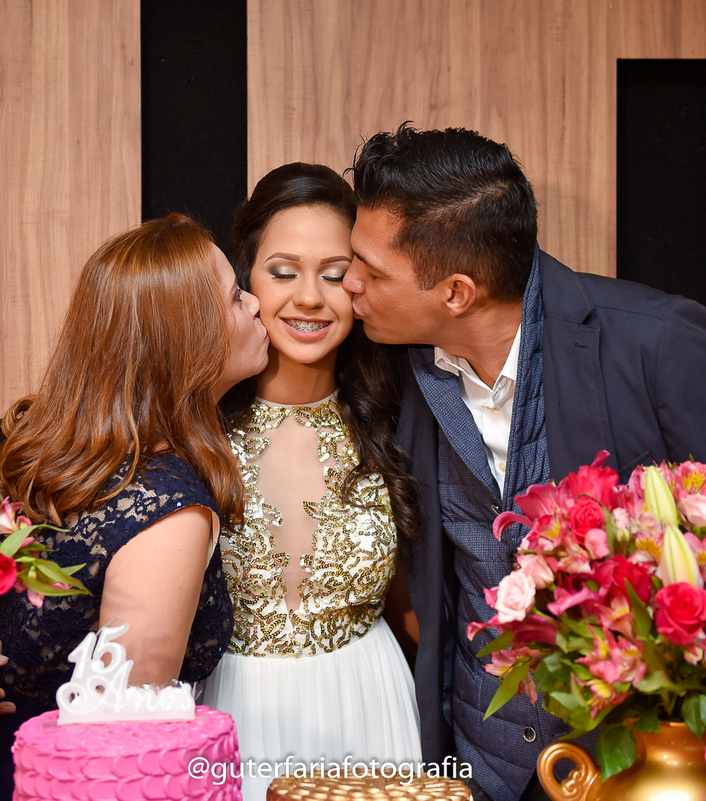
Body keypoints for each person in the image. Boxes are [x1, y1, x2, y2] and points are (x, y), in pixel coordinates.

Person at [342, 124, 706, 801]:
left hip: (637, 768)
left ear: (457, 292)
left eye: (371, 271)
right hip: (475, 763)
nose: (349, 284)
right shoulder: (394, 362)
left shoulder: (662, 347)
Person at [0, 213, 270, 801]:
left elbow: (28, 620)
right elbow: (121, 737)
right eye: (236, 296)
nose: (258, 304)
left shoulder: (70, 465)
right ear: (188, 341)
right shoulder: (168, 508)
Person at [201, 163, 423, 800]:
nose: (308, 298)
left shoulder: (405, 422)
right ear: (246, 281)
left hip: (371, 709)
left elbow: (420, 607)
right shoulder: (191, 432)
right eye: (283, 271)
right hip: (230, 714)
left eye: (333, 274)